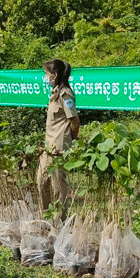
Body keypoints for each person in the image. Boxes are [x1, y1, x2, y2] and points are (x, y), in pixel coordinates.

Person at [37, 58, 79, 214]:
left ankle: (60, 220)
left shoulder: (65, 94)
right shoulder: (54, 93)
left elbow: (75, 121)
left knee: (58, 188)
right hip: (48, 147)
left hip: (58, 149)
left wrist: (70, 140)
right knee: (41, 182)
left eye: (46, 74)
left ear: (54, 75)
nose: (45, 77)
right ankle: (46, 217)